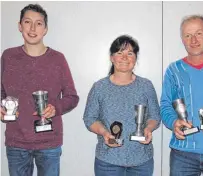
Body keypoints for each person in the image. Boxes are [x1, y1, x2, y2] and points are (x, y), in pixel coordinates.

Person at [1, 4, 79, 176]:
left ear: (45, 29)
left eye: (39, 23)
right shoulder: (8, 56)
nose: (33, 28)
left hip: (49, 143)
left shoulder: (58, 59)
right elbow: (2, 93)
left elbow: (72, 97)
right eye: (27, 22)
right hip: (16, 142)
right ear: (20, 26)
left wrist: (55, 108)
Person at [160, 15, 203, 176]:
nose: (193, 40)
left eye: (198, 33)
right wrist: (174, 122)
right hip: (183, 154)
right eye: (187, 35)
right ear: (182, 40)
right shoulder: (174, 70)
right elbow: (165, 106)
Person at [83, 35, 161, 176]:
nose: (125, 57)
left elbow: (155, 116)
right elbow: (89, 119)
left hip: (141, 161)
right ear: (112, 57)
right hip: (108, 162)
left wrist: (148, 128)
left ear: (135, 58)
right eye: (119, 53)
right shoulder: (99, 87)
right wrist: (104, 133)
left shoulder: (146, 86)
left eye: (130, 53)